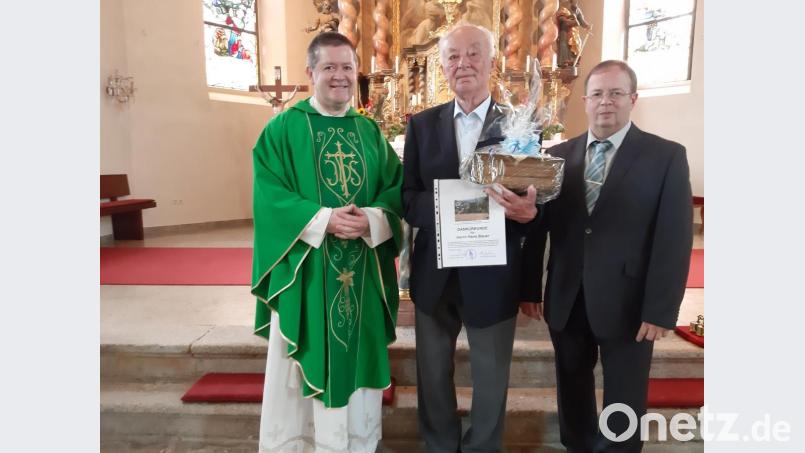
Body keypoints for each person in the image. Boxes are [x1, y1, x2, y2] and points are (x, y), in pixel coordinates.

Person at [521, 60, 693, 452]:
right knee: (573, 393)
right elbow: (536, 229)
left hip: (629, 303)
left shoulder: (664, 157)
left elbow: (674, 238)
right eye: (597, 94)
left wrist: (661, 309)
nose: (606, 102)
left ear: (632, 99)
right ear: (584, 101)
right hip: (567, 298)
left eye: (616, 93)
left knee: (625, 399)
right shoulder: (557, 157)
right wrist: (530, 287)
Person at [250, 31, 404, 453]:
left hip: (361, 275)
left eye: (347, 68)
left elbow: (396, 190)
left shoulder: (370, 133)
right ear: (311, 73)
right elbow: (270, 196)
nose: (340, 76)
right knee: (300, 369)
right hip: (307, 274)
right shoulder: (283, 129)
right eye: (330, 67)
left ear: (357, 74)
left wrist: (371, 220)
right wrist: (323, 220)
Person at [402, 23, 538, 452]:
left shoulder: (520, 125)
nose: (463, 64)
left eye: (474, 54)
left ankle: (482, 446)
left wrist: (528, 212)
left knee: (491, 374)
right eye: (453, 57)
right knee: (432, 371)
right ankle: (440, 444)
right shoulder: (421, 125)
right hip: (434, 270)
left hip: (494, 272)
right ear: (442, 67)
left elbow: (534, 206)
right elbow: (406, 198)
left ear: (492, 62)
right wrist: (452, 206)